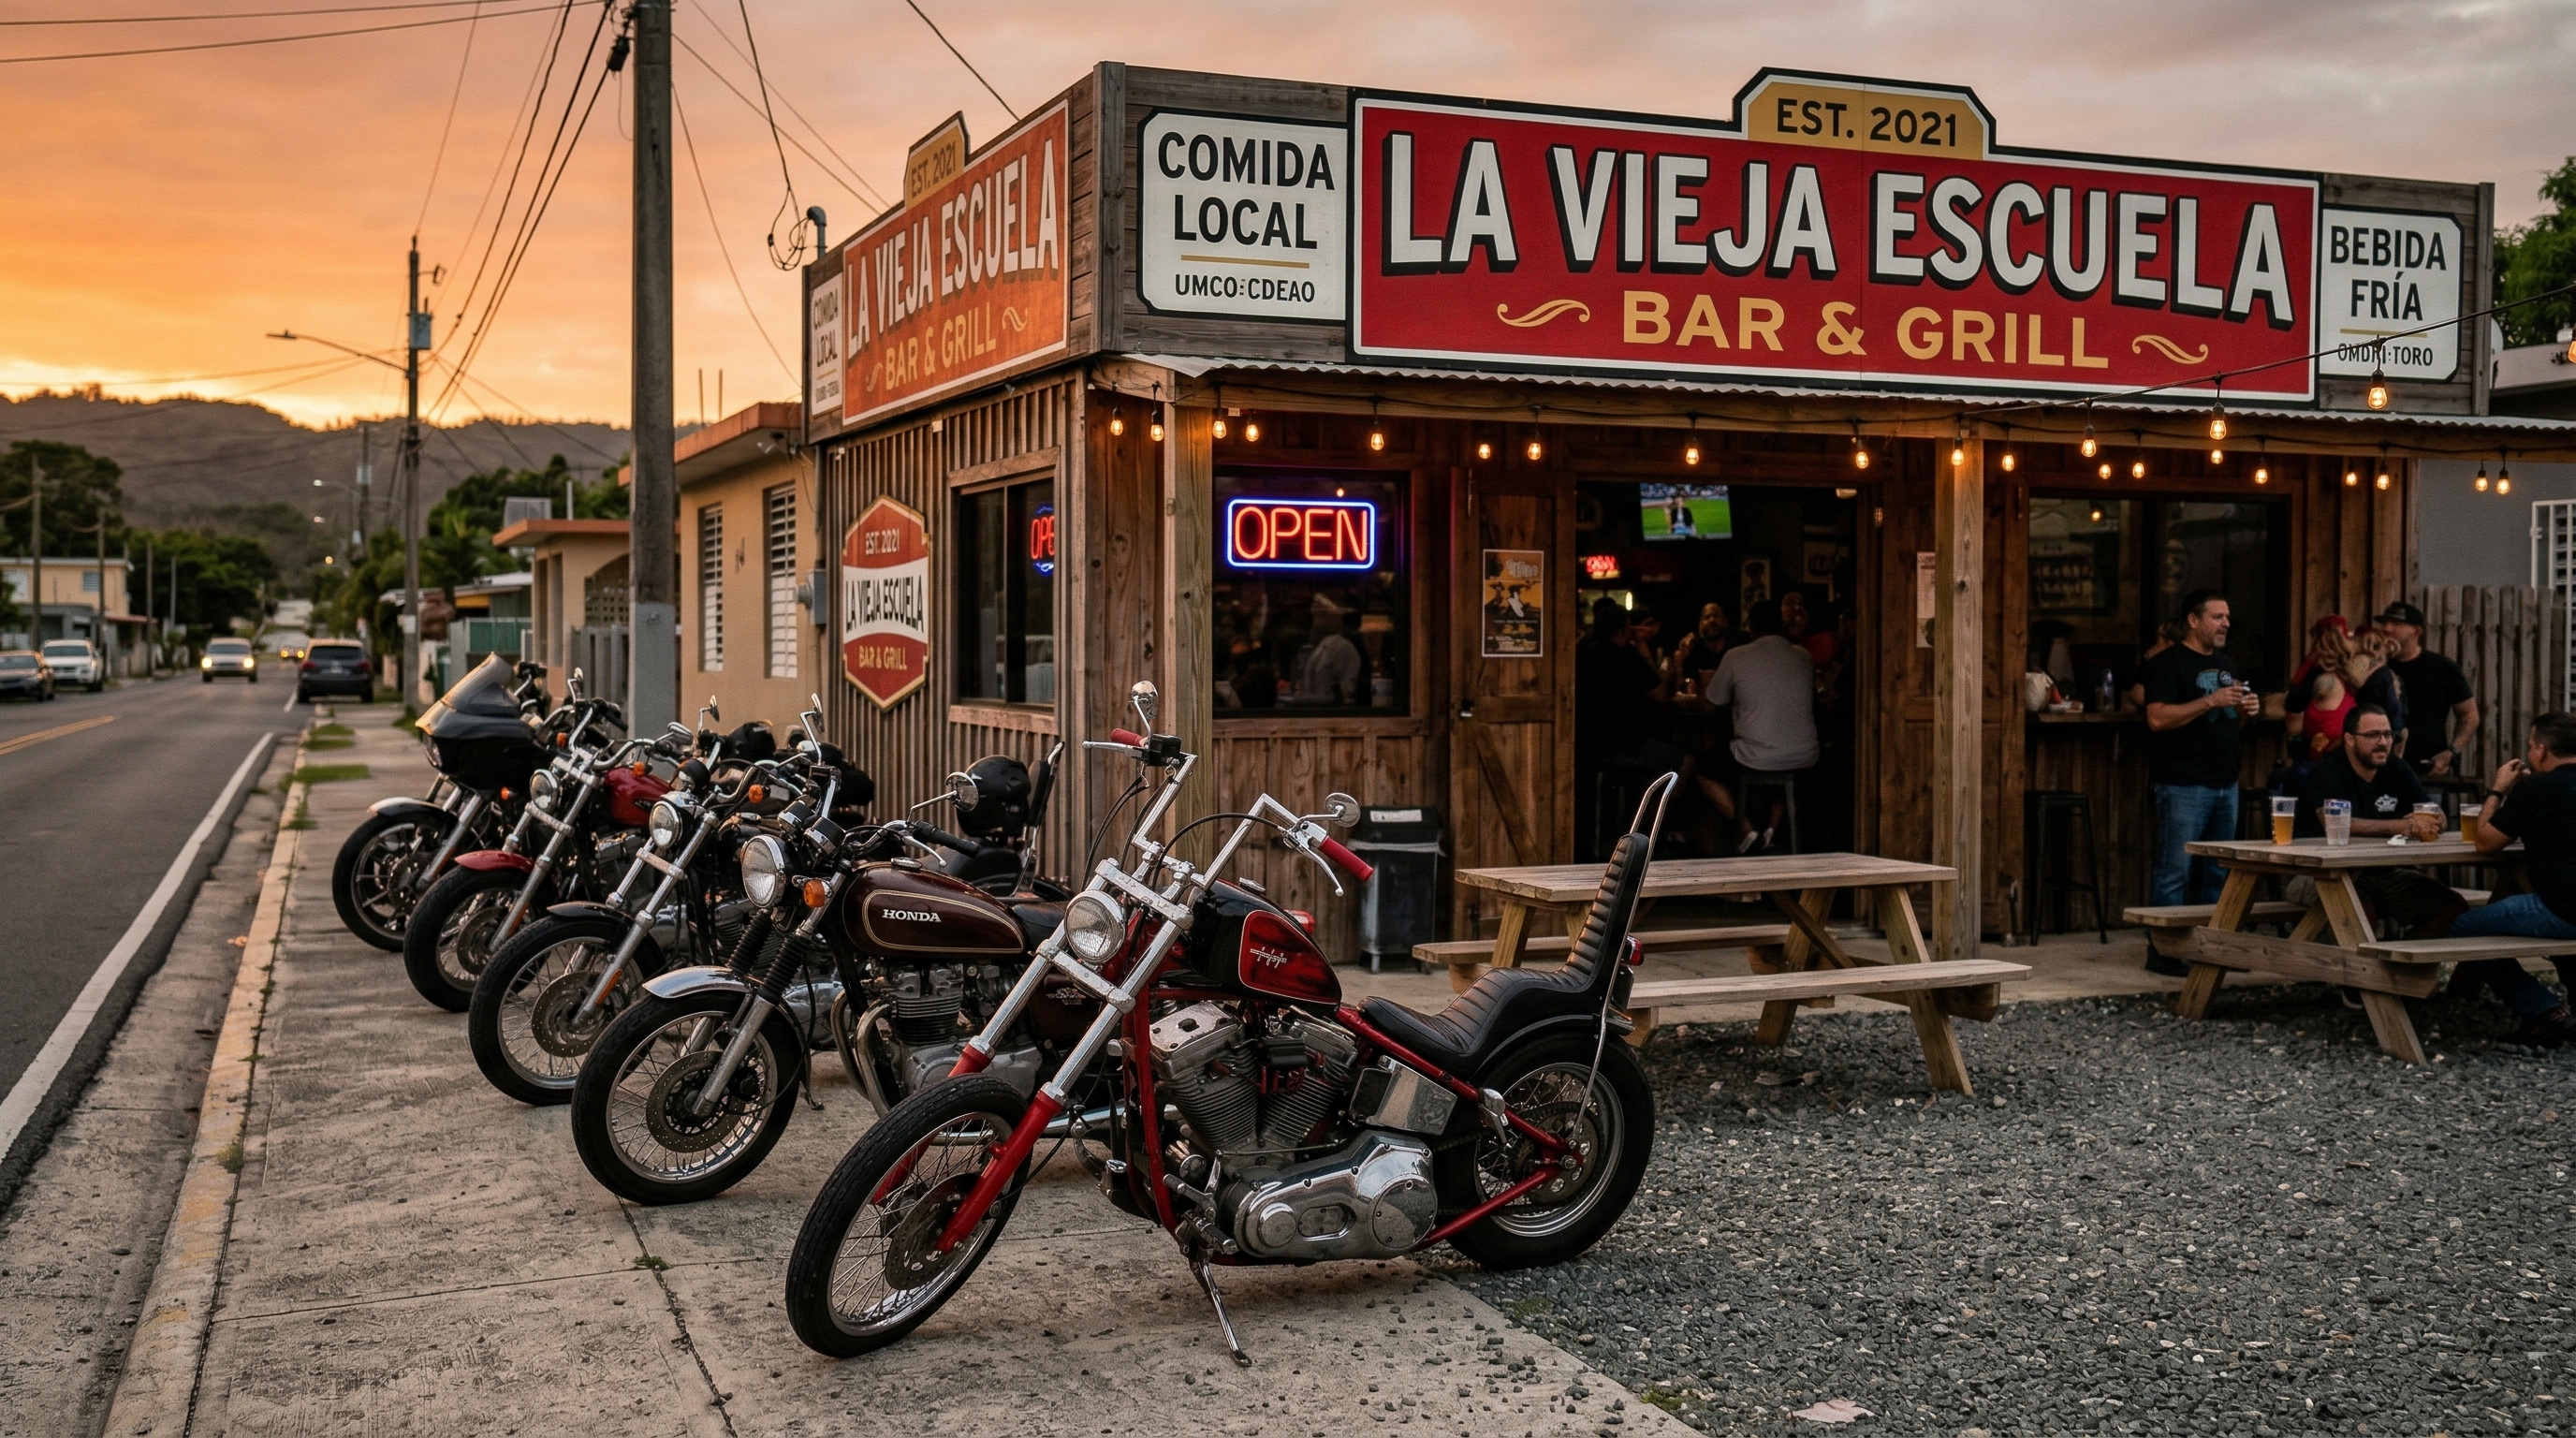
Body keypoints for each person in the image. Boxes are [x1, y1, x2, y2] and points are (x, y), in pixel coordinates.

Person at [2141, 590, 2261, 947]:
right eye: (2217, 617)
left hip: (2226, 783)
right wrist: (2208, 700)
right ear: (2193, 621)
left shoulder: (2227, 665)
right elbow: (2156, 718)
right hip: (2183, 784)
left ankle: (2214, 953)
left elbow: (2224, 723)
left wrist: (2242, 712)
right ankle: (2166, 951)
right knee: (2174, 873)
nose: (2226, 623)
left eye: (2227, 617)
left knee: (2219, 874)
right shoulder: (2167, 663)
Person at [2284, 705, 2466, 937]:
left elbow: (2429, 810)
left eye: (2388, 735)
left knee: (2452, 906)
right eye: (2373, 735)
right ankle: (2353, 971)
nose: (2383, 742)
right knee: (2357, 904)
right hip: (2319, 873)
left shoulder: (2397, 768)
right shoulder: (2328, 771)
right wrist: (2402, 826)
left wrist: (2435, 819)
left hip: (2380, 873)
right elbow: (2339, 824)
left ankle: (2401, 964)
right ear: (2349, 739)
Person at [2452, 712, 2576, 1046]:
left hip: (2563, 912)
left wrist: (2497, 789)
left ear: (2540, 752)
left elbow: (2485, 842)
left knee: (2464, 927)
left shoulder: (2537, 788)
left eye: (2532, 744)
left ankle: (2543, 1011)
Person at [1574, 598, 1731, 829]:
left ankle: (1630, 824)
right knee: (1684, 762)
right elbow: (1660, 696)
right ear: (1623, 630)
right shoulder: (1627, 657)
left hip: (1585, 747)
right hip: (1622, 746)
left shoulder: (1583, 653)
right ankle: (1645, 828)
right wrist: (1648, 650)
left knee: (1653, 757)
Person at [1705, 599, 1821, 852]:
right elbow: (1814, 698)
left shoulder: (1736, 656)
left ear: (1750, 628)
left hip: (1755, 756)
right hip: (1804, 756)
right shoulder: (1802, 655)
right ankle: (1772, 831)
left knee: (1702, 768)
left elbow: (1712, 700)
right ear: (1780, 626)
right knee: (1782, 769)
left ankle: (1748, 831)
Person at [2375, 601, 2481, 777]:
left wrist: (2451, 752)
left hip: (2429, 771)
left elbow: (2470, 715)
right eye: (2384, 623)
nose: (2387, 629)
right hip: (2381, 771)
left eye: (2396, 624)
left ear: (2417, 631)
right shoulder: (2376, 669)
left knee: (2426, 805)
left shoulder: (2442, 668)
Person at [1285, 607, 1363, 707]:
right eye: (1315, 615)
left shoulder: (1343, 648)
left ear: (1337, 617)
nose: (1315, 620)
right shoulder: (1308, 650)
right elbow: (1299, 688)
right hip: (1305, 715)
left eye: (1322, 614)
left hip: (1329, 716)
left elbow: (1346, 695)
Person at [1670, 602, 1733, 696]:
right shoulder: (1692, 648)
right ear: (1700, 624)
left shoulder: (1734, 649)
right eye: (1707, 617)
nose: (1711, 620)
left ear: (1725, 622)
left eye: (1716, 616)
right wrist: (1681, 656)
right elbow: (1679, 685)